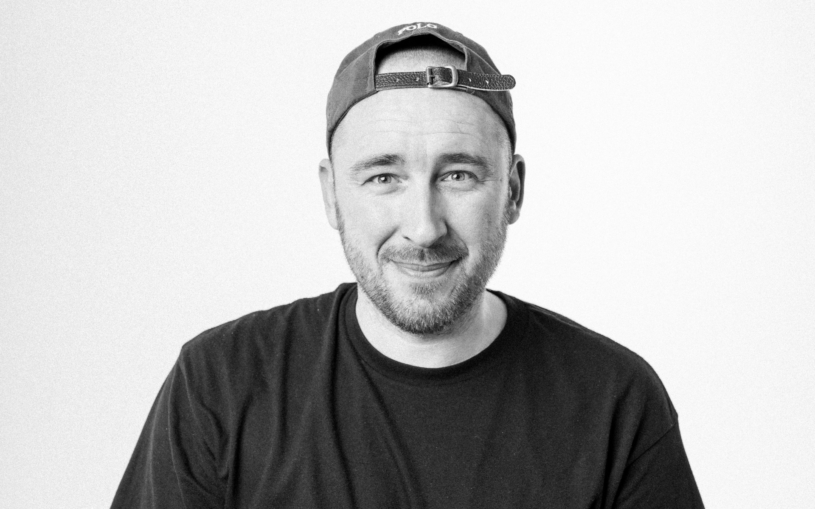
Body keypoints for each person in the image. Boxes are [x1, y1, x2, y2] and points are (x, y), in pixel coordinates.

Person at [112, 22, 704, 508]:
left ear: (514, 191)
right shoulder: (220, 385)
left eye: (458, 175)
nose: (424, 227)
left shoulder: (614, 402)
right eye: (384, 177)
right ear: (332, 196)